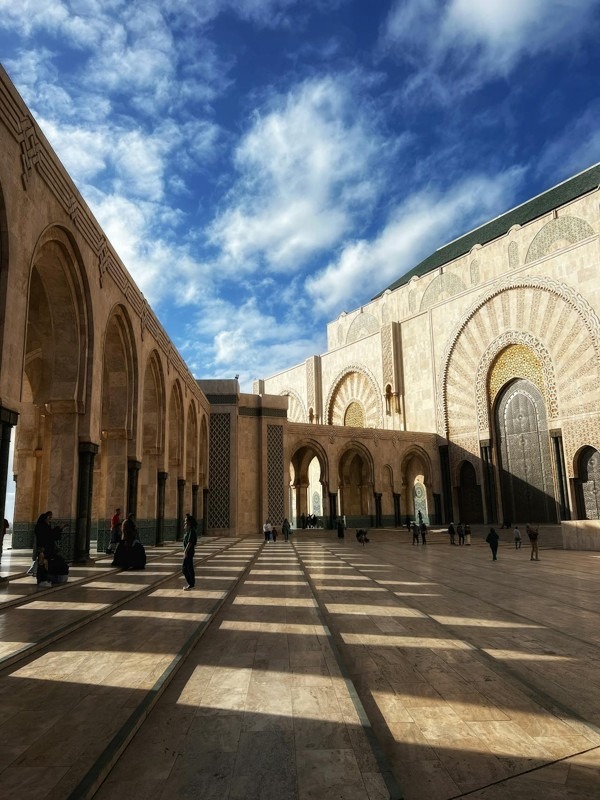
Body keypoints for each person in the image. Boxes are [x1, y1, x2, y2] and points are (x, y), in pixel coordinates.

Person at [182, 513, 197, 590]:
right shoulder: (189, 530)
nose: (184, 523)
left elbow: (190, 542)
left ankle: (190, 583)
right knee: (190, 567)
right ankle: (192, 583)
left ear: (189, 522)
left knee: (184, 569)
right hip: (189, 551)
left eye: (186, 521)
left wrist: (185, 551)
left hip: (189, 552)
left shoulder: (192, 530)